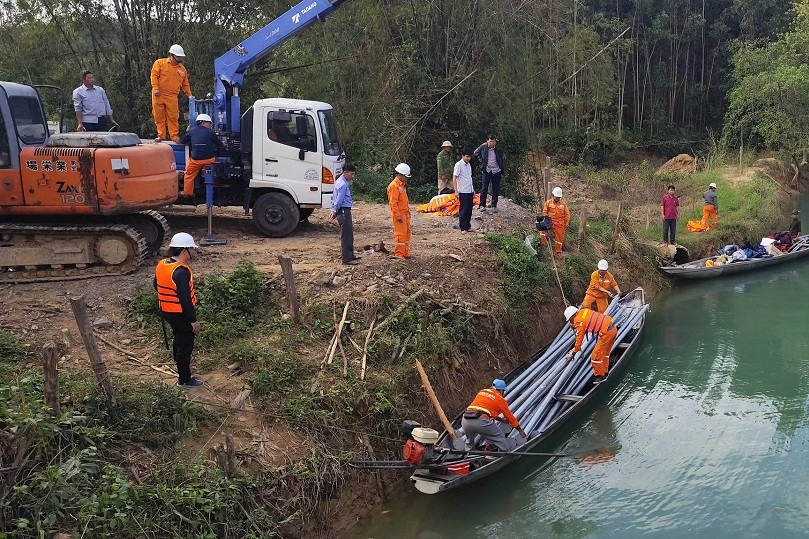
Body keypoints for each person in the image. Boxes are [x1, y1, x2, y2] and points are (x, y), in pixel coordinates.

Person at [154, 232, 203, 387]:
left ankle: (180, 365)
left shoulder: (163, 264)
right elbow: (185, 300)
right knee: (185, 343)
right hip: (179, 314)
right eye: (192, 249)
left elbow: (156, 284)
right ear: (184, 251)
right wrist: (193, 320)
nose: (194, 252)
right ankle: (185, 379)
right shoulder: (181, 272)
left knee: (179, 339)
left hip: (166, 311)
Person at [461, 379, 527, 452]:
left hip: (465, 420)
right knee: (499, 436)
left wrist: (502, 420)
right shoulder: (499, 399)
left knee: (469, 441)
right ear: (501, 391)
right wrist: (520, 430)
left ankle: (468, 456)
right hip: (481, 421)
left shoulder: (482, 392)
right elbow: (509, 416)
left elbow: (487, 411)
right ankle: (506, 453)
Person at [151, 44, 193, 143]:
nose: (180, 58)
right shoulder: (160, 63)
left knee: (173, 116)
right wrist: (156, 88)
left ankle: (174, 136)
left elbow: (185, 84)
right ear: (172, 55)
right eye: (178, 57)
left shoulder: (182, 69)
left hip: (172, 96)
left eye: (181, 57)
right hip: (159, 94)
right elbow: (154, 76)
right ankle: (161, 135)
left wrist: (190, 95)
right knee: (159, 115)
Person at [564, 305, 616, 383]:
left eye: (570, 319)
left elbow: (579, 339)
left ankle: (600, 376)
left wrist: (574, 352)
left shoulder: (579, 321)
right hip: (613, 329)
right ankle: (605, 372)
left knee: (595, 356)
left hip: (606, 333)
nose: (571, 321)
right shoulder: (584, 311)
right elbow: (587, 322)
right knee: (604, 354)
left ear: (573, 315)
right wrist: (575, 326)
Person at [178, 114, 223, 197]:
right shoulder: (211, 132)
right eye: (209, 123)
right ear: (204, 122)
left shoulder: (191, 131)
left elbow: (183, 141)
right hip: (209, 160)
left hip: (196, 161)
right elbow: (219, 145)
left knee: (189, 175)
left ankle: (187, 193)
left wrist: (187, 131)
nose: (210, 125)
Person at [331, 164, 360, 265]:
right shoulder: (342, 185)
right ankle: (347, 259)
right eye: (351, 174)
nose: (352, 176)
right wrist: (334, 211)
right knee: (346, 235)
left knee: (349, 233)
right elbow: (338, 200)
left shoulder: (341, 181)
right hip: (343, 210)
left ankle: (350, 255)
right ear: (345, 172)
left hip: (344, 210)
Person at [387, 163, 412, 259]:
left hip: (404, 213)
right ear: (400, 174)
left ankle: (405, 252)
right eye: (405, 176)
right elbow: (393, 203)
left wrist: (408, 210)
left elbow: (404, 200)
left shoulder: (401, 185)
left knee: (406, 233)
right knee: (400, 234)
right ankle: (399, 253)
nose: (406, 178)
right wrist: (397, 215)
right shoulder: (394, 186)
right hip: (399, 214)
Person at [474, 135, 504, 212]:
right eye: (490, 141)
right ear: (487, 141)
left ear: (495, 142)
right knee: (484, 188)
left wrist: (501, 166)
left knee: (495, 188)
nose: (492, 143)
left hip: (496, 170)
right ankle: (482, 205)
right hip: (487, 170)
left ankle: (494, 205)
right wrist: (481, 162)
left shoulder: (498, 150)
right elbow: (475, 153)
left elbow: (501, 158)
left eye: (493, 141)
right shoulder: (483, 147)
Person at [541, 186, 571, 255]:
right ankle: (544, 243)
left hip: (560, 224)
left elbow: (567, 214)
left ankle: (558, 251)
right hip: (550, 221)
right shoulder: (548, 203)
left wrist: (567, 223)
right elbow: (544, 212)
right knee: (542, 229)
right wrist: (546, 219)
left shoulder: (563, 204)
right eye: (556, 196)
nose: (557, 198)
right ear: (553, 195)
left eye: (559, 197)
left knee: (559, 238)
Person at [453, 148, 474, 232]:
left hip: (469, 190)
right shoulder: (458, 165)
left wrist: (473, 189)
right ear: (463, 156)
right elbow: (455, 177)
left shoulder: (469, 165)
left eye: (469, 157)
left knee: (469, 209)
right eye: (467, 157)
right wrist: (456, 191)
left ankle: (468, 226)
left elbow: (469, 178)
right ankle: (463, 227)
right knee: (463, 209)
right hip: (463, 190)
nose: (468, 158)